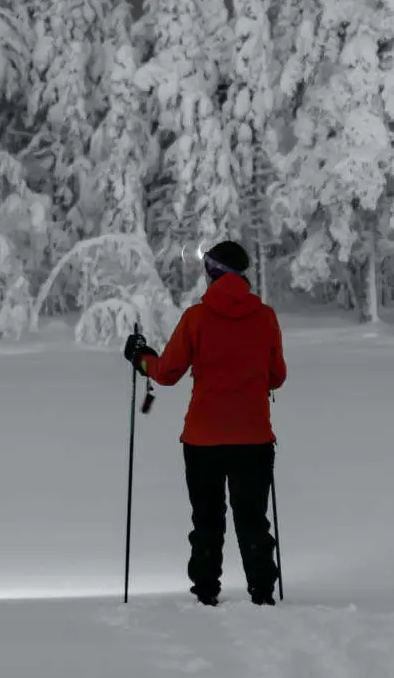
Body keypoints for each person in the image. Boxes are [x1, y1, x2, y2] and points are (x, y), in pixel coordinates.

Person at [123, 241, 287, 607]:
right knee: (253, 519)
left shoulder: (196, 319)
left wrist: (140, 357)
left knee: (208, 520)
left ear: (212, 273)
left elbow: (165, 374)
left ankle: (206, 592)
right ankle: (262, 592)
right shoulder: (265, 318)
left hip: (203, 440)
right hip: (254, 438)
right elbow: (277, 377)